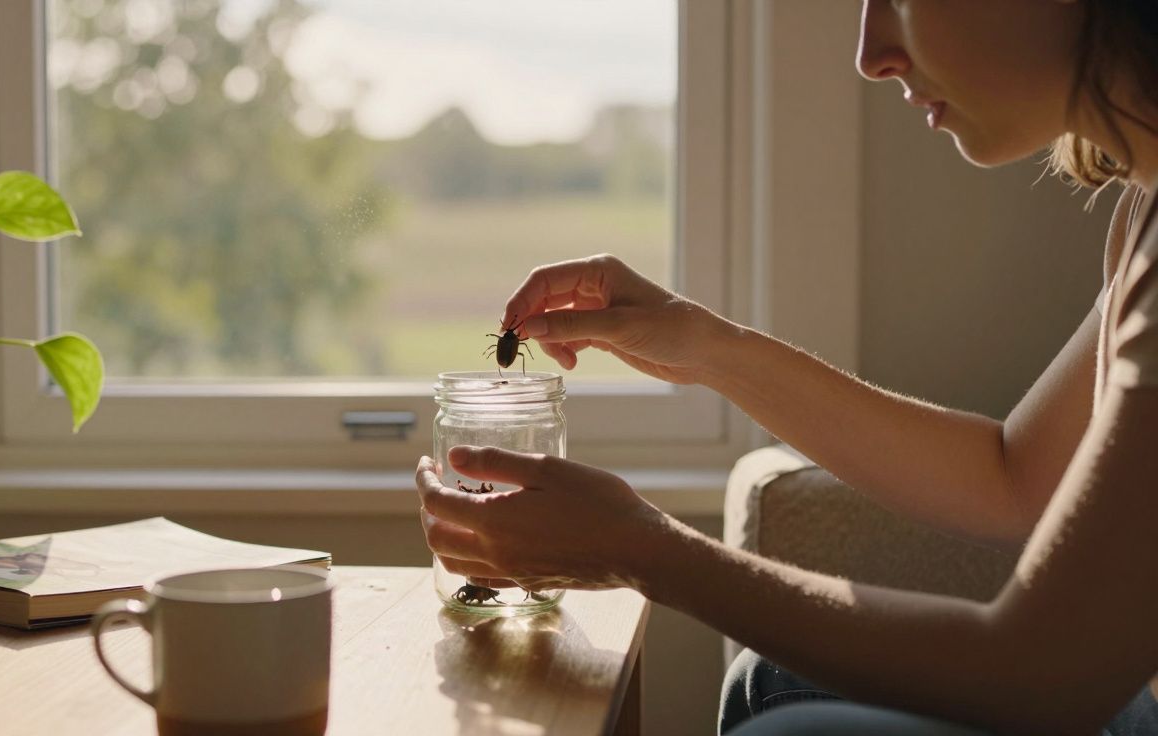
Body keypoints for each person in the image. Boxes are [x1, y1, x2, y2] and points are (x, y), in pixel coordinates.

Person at [414, 0, 1158, 733]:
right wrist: (707, 345)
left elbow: (1043, 677)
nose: (872, 55)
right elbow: (1017, 478)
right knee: (767, 686)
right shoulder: (1142, 211)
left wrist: (638, 548)